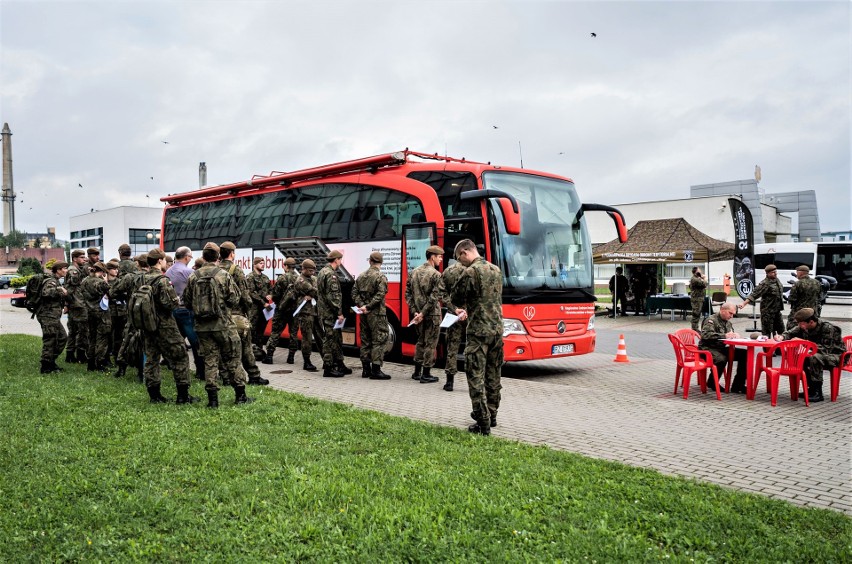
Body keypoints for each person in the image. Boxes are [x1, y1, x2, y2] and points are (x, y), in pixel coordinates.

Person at [184, 242, 252, 407]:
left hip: (202, 327)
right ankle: (240, 395)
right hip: (224, 325)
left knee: (210, 360)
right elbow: (234, 299)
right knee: (233, 359)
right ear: (217, 257)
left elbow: (186, 302)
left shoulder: (194, 276)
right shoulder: (223, 274)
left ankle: (213, 400)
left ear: (204, 257)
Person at [452, 239, 502, 435]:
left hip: (478, 332)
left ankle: (483, 423)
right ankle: (493, 413)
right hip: (497, 330)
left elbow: (456, 297)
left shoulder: (471, 272)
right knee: (494, 375)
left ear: (465, 252)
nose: (460, 262)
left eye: (459, 258)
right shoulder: (496, 269)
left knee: (475, 377)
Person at [137, 248, 196, 404]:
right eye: (163, 260)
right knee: (180, 356)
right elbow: (170, 304)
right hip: (165, 325)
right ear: (159, 261)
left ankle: (154, 395)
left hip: (147, 325)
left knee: (151, 359)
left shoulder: (140, 279)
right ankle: (183, 395)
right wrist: (177, 299)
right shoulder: (162, 280)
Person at [219, 241, 268, 386]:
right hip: (236, 314)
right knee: (246, 347)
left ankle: (226, 377)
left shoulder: (216, 269)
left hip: (221, 315)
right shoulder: (236, 270)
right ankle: (253, 375)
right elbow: (245, 295)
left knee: (224, 348)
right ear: (232, 253)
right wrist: (247, 311)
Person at [776, 308, 844, 402]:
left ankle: (817, 392)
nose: (799, 326)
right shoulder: (804, 326)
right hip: (820, 353)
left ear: (811, 322)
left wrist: (804, 343)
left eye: (801, 323)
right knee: (800, 358)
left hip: (836, 355)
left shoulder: (828, 328)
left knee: (814, 357)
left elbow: (826, 349)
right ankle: (810, 388)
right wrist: (781, 337)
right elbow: (790, 333)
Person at [406, 245, 448, 384]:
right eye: (439, 256)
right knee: (431, 344)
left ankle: (417, 372)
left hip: (418, 314)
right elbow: (434, 297)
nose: (441, 259)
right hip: (432, 315)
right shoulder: (436, 275)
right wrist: (423, 313)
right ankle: (426, 374)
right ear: (432, 257)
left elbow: (408, 294)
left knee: (420, 341)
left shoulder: (414, 272)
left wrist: (416, 312)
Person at [165, 246, 204, 382]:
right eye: (190, 257)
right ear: (186, 257)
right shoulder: (188, 272)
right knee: (195, 342)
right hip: (186, 311)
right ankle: (200, 371)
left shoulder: (168, 271)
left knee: (176, 342)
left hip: (173, 311)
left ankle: (176, 367)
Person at [352, 251, 391, 380]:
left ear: (370, 261)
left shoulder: (361, 276)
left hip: (364, 314)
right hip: (377, 314)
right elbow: (380, 295)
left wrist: (363, 306)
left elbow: (354, 293)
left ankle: (365, 370)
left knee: (365, 340)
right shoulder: (380, 277)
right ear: (381, 262)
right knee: (379, 340)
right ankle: (376, 370)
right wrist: (369, 306)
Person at [698, 302, 748, 394]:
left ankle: (738, 385)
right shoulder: (711, 320)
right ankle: (712, 382)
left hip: (720, 348)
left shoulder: (728, 323)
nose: (732, 316)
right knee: (721, 359)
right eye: (730, 313)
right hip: (707, 348)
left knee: (744, 354)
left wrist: (735, 335)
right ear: (722, 310)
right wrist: (725, 335)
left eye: (733, 314)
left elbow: (730, 334)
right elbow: (705, 335)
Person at [317, 250, 350, 378]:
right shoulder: (331, 275)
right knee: (330, 339)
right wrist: (339, 313)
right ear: (336, 260)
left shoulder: (322, 272)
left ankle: (339, 364)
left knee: (335, 338)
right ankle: (328, 367)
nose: (341, 262)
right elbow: (333, 297)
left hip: (325, 312)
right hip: (330, 313)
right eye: (340, 259)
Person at [262, 257, 300, 365]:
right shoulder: (298, 278)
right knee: (293, 334)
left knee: (275, 332)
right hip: (294, 311)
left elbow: (275, 295)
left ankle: (269, 356)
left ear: (286, 266)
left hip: (281, 311)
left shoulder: (282, 278)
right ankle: (291, 358)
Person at [441, 256, 468, 391]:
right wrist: (467, 311)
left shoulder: (448, 271)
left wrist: (454, 308)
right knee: (472, 347)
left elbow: (442, 293)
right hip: (469, 314)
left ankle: (449, 382)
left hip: (453, 314)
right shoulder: (471, 270)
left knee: (452, 347)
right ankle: (472, 379)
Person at [37, 261, 69, 373]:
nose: (66, 270)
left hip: (53, 316)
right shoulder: (51, 281)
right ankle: (45, 367)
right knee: (50, 340)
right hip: (47, 316)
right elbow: (46, 293)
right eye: (64, 268)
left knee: (62, 338)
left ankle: (50, 361)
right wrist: (59, 290)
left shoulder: (56, 281)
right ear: (58, 270)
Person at [80, 261, 112, 371]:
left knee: (92, 339)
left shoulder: (84, 281)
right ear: (102, 272)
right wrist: (106, 281)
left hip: (89, 312)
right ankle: (100, 363)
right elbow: (110, 292)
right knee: (102, 339)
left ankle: (90, 364)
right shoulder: (100, 282)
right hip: (101, 313)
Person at [738, 264, 784, 337]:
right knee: (767, 332)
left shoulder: (777, 280)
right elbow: (754, 294)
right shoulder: (765, 283)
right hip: (768, 312)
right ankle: (767, 348)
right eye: (773, 272)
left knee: (781, 330)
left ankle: (779, 347)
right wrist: (744, 304)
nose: (775, 273)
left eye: (775, 271)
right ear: (768, 273)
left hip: (777, 311)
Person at [293, 258, 319, 372]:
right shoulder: (300, 280)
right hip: (305, 313)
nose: (312, 273)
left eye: (313, 271)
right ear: (303, 269)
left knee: (320, 337)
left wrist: (313, 294)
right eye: (309, 271)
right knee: (307, 338)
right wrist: (314, 293)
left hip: (315, 311)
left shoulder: (313, 278)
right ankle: (307, 362)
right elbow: (315, 292)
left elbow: (319, 290)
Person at [63, 249, 90, 363]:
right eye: (82, 257)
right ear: (75, 259)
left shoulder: (75, 269)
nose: (84, 259)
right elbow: (70, 289)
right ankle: (80, 354)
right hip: (78, 304)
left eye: (84, 257)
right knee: (82, 330)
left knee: (73, 331)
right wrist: (68, 303)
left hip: (75, 304)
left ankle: (70, 355)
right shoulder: (74, 271)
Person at [246, 257, 272, 356]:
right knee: (252, 330)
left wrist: (270, 295)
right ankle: (250, 352)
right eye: (260, 263)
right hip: (254, 309)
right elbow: (251, 293)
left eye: (263, 263)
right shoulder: (250, 277)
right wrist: (263, 302)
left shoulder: (265, 278)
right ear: (255, 264)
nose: (263, 265)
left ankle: (259, 351)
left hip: (265, 309)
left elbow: (270, 289)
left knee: (261, 330)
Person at [786, 265, 822, 329]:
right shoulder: (817, 282)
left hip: (800, 312)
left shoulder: (798, 284)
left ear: (801, 273)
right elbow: (820, 297)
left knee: (792, 328)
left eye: (797, 272)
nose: (796, 273)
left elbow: (792, 299)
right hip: (813, 312)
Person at [688, 267, 707, 331]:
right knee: (696, 314)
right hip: (696, 299)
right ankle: (694, 328)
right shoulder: (694, 279)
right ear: (696, 271)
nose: (701, 271)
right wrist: (704, 278)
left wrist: (701, 278)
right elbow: (704, 284)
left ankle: (695, 327)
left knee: (697, 314)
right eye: (699, 270)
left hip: (699, 298)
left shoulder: (697, 278)